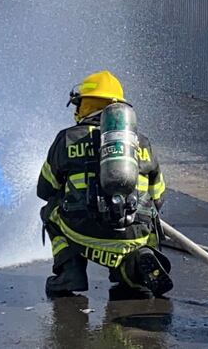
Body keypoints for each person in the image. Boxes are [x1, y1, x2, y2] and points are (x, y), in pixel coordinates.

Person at [37, 70, 172, 298]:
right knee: (149, 214)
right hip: (135, 232)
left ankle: (69, 271)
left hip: (82, 230)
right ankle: (132, 269)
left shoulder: (67, 138)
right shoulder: (143, 143)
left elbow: (45, 189)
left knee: (50, 211)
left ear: (86, 105)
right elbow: (158, 197)